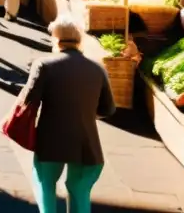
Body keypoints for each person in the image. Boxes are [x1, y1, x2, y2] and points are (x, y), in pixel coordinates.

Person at [19, 14, 115, 213]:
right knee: (79, 190)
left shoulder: (44, 65)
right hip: (86, 142)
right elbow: (108, 109)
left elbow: (29, 101)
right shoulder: (98, 69)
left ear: (56, 39)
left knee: (45, 184)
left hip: (50, 139)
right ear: (80, 40)